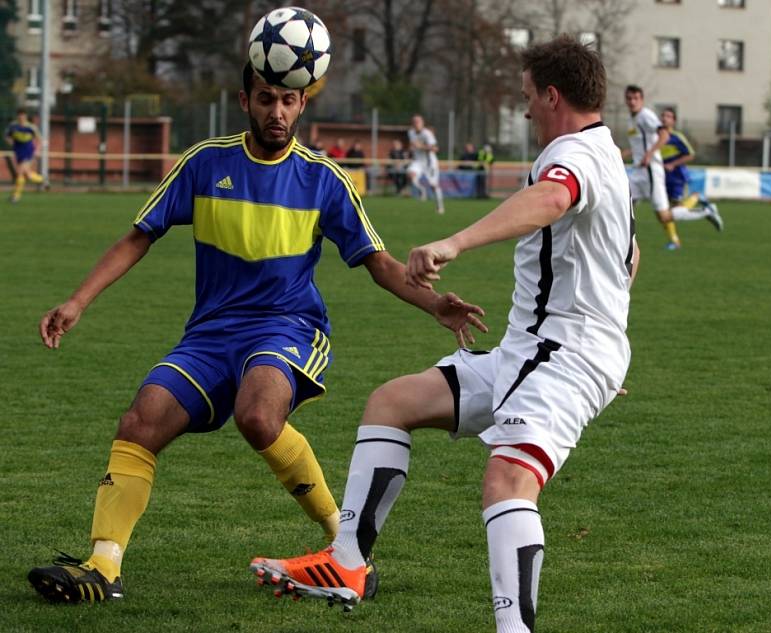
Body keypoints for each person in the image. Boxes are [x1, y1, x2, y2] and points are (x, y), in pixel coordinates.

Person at [28, 62, 486, 605]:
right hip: (209, 335)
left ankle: (344, 547)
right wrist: (78, 300)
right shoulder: (205, 162)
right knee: (140, 421)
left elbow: (377, 262)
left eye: (288, 101)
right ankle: (103, 567)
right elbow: (138, 236)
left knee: (257, 414)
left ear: (302, 106)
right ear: (244, 100)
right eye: (266, 98)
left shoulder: (322, 179)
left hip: (288, 327)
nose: (278, 112)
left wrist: (435, 304)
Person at [250, 35, 640, 633]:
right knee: (392, 403)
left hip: (561, 354)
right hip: (537, 351)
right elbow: (629, 256)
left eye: (528, 97)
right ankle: (347, 565)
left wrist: (453, 242)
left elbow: (551, 198)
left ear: (553, 95)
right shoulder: (606, 153)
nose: (525, 108)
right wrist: (607, 344)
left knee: (508, 480)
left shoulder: (576, 157)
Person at [622, 86, 721, 250]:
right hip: (638, 172)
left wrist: (649, 154)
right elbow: (637, 146)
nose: (632, 102)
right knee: (622, 203)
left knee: (664, 216)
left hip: (650, 171)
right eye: (629, 98)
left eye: (635, 98)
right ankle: (620, 244)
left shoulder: (645, 115)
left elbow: (664, 135)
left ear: (642, 100)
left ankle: (706, 212)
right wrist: (620, 155)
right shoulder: (631, 120)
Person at [660, 107, 722, 229]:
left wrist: (673, 164)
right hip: (664, 178)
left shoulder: (676, 137)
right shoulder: (657, 137)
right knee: (669, 212)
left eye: (668, 116)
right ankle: (700, 201)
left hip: (677, 178)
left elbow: (690, 155)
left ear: (674, 121)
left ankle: (704, 207)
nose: (664, 119)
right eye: (663, 116)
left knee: (674, 211)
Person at [4, 108, 46, 203]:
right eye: (19, 115)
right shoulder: (13, 126)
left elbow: (40, 140)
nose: (21, 117)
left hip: (28, 152)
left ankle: (16, 196)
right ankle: (43, 180)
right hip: (18, 152)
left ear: (25, 116)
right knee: (27, 175)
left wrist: (37, 151)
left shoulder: (31, 127)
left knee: (19, 172)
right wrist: (11, 143)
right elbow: (6, 136)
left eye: (23, 115)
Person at [407, 114, 446, 215]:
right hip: (418, 161)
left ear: (422, 123)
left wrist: (421, 146)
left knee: (434, 185)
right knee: (410, 174)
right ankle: (422, 190)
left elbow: (435, 149)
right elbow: (413, 145)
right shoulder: (411, 133)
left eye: (418, 122)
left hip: (430, 163)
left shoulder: (427, 134)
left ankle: (440, 206)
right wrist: (411, 149)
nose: (416, 124)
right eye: (414, 122)